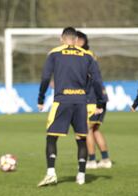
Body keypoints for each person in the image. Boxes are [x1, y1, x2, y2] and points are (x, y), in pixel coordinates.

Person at [37, 27, 104, 187]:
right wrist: (100, 102)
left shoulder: (54, 53)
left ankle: (51, 173)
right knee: (81, 138)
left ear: (62, 38)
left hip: (62, 100)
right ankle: (81, 175)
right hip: (81, 102)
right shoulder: (87, 55)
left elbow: (46, 77)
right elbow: (96, 80)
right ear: (75, 39)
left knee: (51, 137)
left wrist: (41, 97)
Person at [76, 31, 112, 169]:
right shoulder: (91, 55)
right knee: (95, 129)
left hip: (92, 99)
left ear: (81, 41)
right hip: (100, 97)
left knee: (87, 129)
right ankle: (105, 159)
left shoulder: (85, 56)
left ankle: (91, 160)